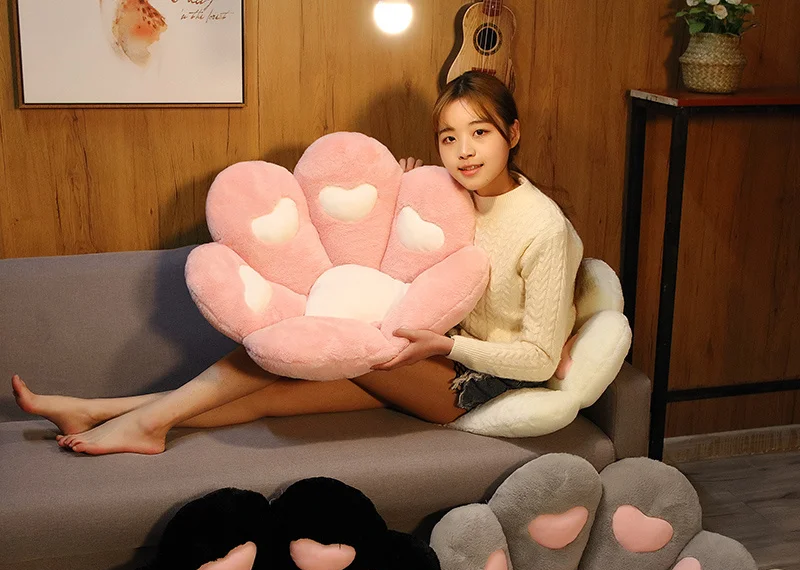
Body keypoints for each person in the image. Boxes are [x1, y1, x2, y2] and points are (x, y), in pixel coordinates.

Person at [11, 71, 583, 456]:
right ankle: (102, 413)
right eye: (449, 138)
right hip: (426, 353)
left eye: (480, 133)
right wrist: (409, 189)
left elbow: (537, 359)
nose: (464, 152)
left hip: (469, 383)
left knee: (297, 334)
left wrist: (447, 348)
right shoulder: (458, 195)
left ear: (512, 132)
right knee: (271, 390)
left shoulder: (542, 226)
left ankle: (138, 421)